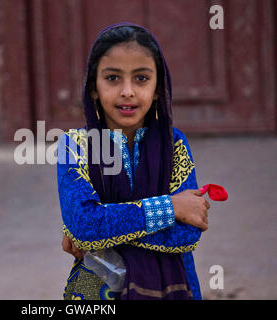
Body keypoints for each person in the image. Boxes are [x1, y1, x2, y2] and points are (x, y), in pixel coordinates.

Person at [56, 22, 210, 300]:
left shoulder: (174, 145)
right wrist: (171, 206)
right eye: (113, 78)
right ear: (93, 87)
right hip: (97, 290)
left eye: (141, 78)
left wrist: (97, 229)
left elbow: (187, 233)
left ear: (158, 88)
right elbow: (85, 226)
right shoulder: (74, 145)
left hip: (175, 287)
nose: (127, 91)